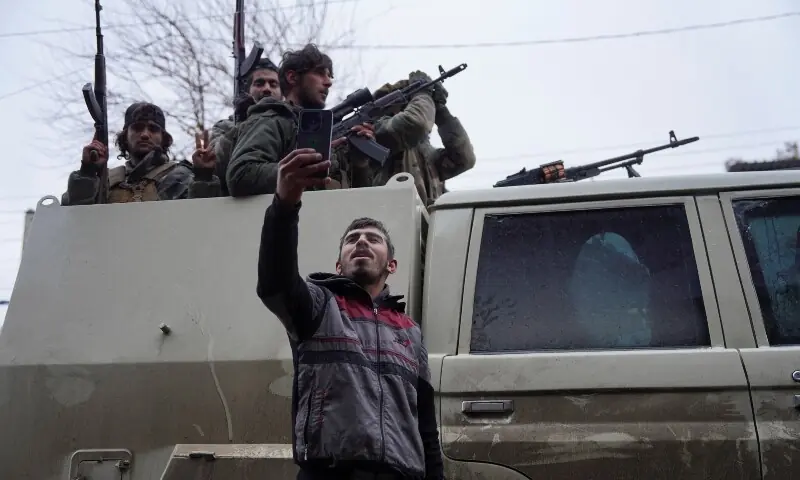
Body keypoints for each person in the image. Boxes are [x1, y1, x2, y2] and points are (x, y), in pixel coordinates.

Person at [256, 150, 444, 480]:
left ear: (392, 265)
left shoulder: (410, 332)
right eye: (352, 240)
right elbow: (275, 283)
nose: (361, 243)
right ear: (339, 265)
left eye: (373, 239)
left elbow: (425, 423)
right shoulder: (318, 306)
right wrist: (285, 206)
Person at [227, 43, 374, 197]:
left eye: (329, 76)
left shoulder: (326, 130)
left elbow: (356, 199)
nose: (328, 82)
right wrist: (297, 169)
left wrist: (360, 164)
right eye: (319, 73)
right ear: (292, 77)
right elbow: (240, 175)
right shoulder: (274, 119)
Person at [61, 102, 220, 205]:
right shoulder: (106, 180)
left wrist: (204, 177)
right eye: (137, 128)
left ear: (163, 138)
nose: (145, 134)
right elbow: (75, 215)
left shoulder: (180, 175)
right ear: (125, 137)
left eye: (153, 129)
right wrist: (88, 172)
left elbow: (201, 222)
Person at [370, 73, 475, 205]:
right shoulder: (376, 132)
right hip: (393, 220)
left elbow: (465, 159)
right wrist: (424, 93)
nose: (424, 107)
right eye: (412, 100)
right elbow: (416, 124)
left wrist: (441, 112)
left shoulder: (422, 152)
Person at [209, 57, 283, 195]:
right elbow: (215, 165)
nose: (267, 89)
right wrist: (245, 123)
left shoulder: (289, 126)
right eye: (259, 83)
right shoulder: (225, 127)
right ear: (247, 90)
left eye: (273, 84)